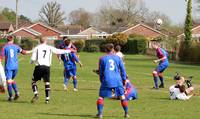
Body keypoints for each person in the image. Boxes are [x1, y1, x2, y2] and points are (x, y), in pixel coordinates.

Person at [30, 37, 72, 104]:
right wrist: (69, 50)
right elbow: (58, 51)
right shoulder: (49, 47)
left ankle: (36, 94)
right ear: (45, 41)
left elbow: (33, 58)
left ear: (39, 41)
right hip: (47, 67)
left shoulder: (37, 48)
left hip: (39, 66)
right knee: (47, 83)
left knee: (33, 81)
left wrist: (31, 62)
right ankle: (47, 99)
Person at [96, 43, 129, 119]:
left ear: (105, 50)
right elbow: (123, 70)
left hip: (107, 79)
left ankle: (100, 114)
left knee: (101, 97)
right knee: (122, 96)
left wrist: (101, 80)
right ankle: (126, 113)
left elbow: (101, 71)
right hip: (117, 80)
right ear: (113, 49)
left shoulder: (102, 58)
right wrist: (124, 79)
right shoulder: (118, 58)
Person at [0, 35, 32, 101]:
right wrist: (32, 51)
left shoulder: (4, 47)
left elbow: (1, 58)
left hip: (8, 66)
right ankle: (17, 93)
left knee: (9, 81)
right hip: (16, 67)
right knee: (11, 80)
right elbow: (24, 52)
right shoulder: (16, 46)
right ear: (12, 40)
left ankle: (11, 97)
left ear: (7, 40)